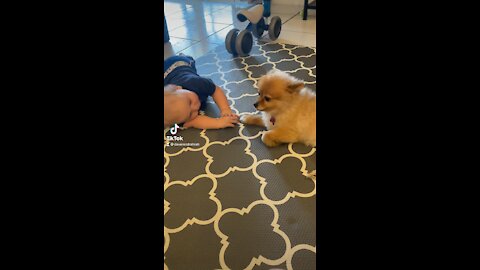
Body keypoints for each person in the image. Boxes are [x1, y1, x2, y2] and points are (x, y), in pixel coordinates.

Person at [164, 54, 239, 129]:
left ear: (178, 88)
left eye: (190, 102)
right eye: (190, 114)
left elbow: (215, 90)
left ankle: (184, 55)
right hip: (167, 78)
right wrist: (218, 123)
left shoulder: (196, 83)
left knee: (188, 59)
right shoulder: (178, 117)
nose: (195, 108)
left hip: (178, 63)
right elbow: (194, 121)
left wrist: (225, 109)